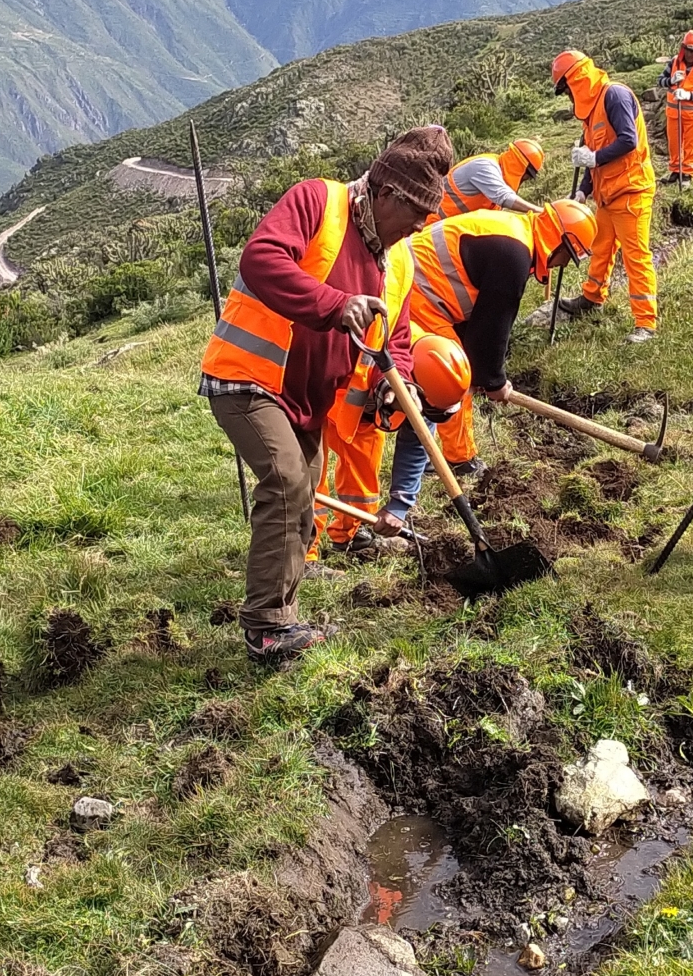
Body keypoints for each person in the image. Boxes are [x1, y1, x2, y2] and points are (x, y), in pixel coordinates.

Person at [198, 126, 453, 660]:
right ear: (387, 194)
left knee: (306, 488)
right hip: (249, 377)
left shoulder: (396, 258)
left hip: (307, 399)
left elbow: (398, 336)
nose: (420, 228)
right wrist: (335, 305)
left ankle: (282, 618)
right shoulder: (319, 201)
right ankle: (266, 627)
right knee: (289, 481)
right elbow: (261, 259)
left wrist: (396, 379)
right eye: (418, 215)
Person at [380, 200, 596, 516]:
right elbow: (494, 325)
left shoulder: (514, 235)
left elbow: (483, 319)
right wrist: (492, 379)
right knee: (452, 375)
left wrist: (489, 374)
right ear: (558, 242)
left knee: (454, 372)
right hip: (416, 289)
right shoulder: (514, 254)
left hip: (420, 284)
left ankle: (438, 455)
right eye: (567, 257)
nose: (562, 265)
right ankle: (460, 460)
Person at [316, 333, 470, 557]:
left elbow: (418, 440)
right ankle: (304, 556)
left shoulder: (435, 371)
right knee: (308, 479)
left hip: (363, 411)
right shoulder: (366, 345)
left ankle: (350, 537)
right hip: (315, 396)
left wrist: (399, 505)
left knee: (362, 481)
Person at [551, 49, 659, 343]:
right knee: (601, 247)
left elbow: (628, 140)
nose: (568, 98)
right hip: (607, 194)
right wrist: (583, 191)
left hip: (631, 191)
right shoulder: (589, 113)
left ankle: (646, 322)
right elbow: (592, 160)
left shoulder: (615, 96)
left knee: (635, 255)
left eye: (567, 90)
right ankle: (592, 297)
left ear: (576, 80)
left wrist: (594, 157)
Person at [437, 138, 546, 219]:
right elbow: (504, 196)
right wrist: (540, 211)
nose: (525, 180)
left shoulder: (498, 175)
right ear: (522, 168)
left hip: (446, 231)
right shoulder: (485, 166)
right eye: (527, 176)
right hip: (431, 226)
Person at [659, 30, 693, 182]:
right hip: (674, 113)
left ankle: (687, 174)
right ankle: (675, 171)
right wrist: (671, 81)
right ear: (683, 48)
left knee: (691, 144)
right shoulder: (674, 62)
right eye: (688, 50)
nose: (690, 54)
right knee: (674, 144)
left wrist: (689, 95)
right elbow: (660, 80)